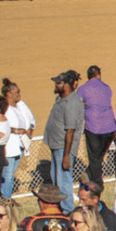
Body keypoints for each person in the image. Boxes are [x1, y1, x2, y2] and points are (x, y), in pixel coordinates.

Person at [43, 70, 84, 212]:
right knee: (56, 181)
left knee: (63, 182)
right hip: (57, 146)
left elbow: (70, 131)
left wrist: (67, 155)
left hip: (63, 148)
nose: (55, 85)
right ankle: (61, 208)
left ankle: (68, 212)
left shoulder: (72, 102)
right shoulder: (60, 99)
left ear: (66, 85)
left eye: (58, 83)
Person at [78, 65, 116, 185]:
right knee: (99, 155)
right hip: (109, 128)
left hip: (93, 127)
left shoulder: (83, 88)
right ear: (99, 75)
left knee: (95, 157)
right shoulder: (106, 87)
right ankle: (90, 174)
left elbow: (78, 106)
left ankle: (97, 182)